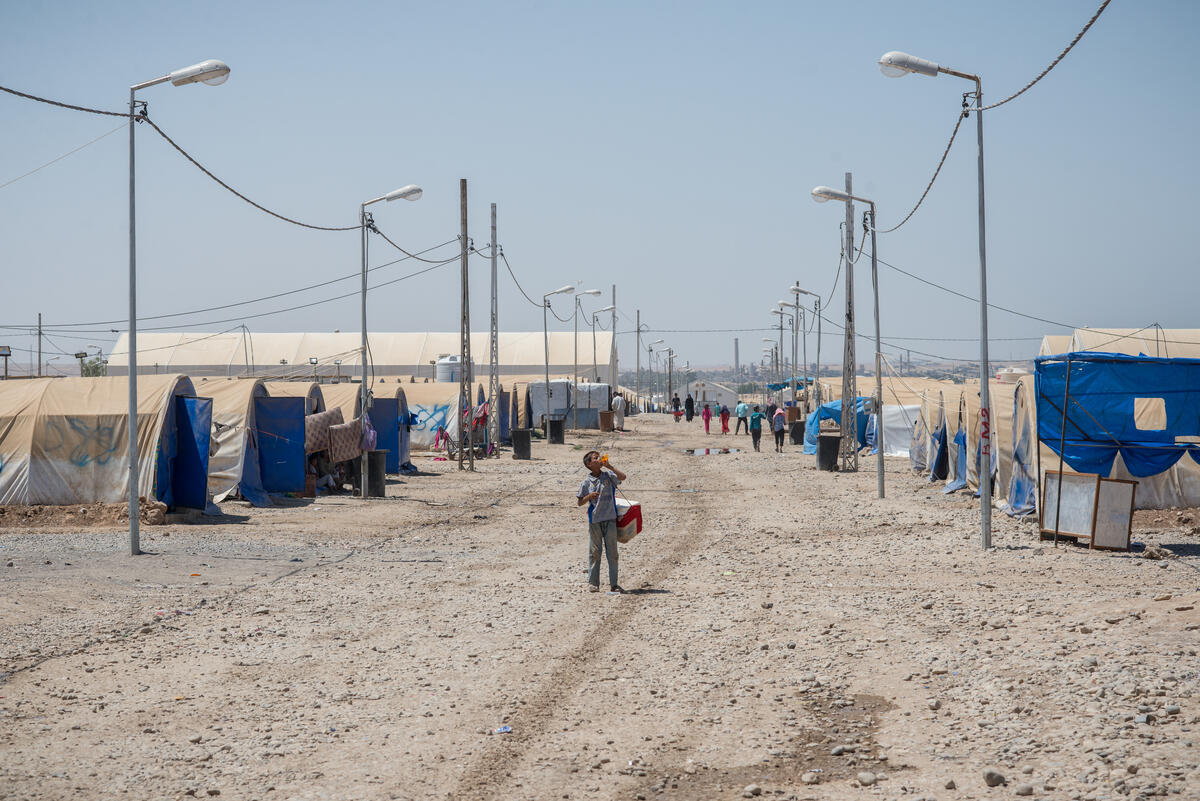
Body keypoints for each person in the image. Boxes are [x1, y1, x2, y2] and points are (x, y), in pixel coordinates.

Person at [577, 451, 627, 594]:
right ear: (589, 464)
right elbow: (580, 502)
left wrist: (610, 466)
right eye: (595, 458)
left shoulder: (608, 476)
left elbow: (623, 477)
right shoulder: (586, 482)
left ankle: (614, 584)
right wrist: (589, 496)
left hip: (610, 518)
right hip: (595, 520)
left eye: (599, 457)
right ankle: (593, 583)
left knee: (613, 553)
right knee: (595, 552)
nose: (599, 459)